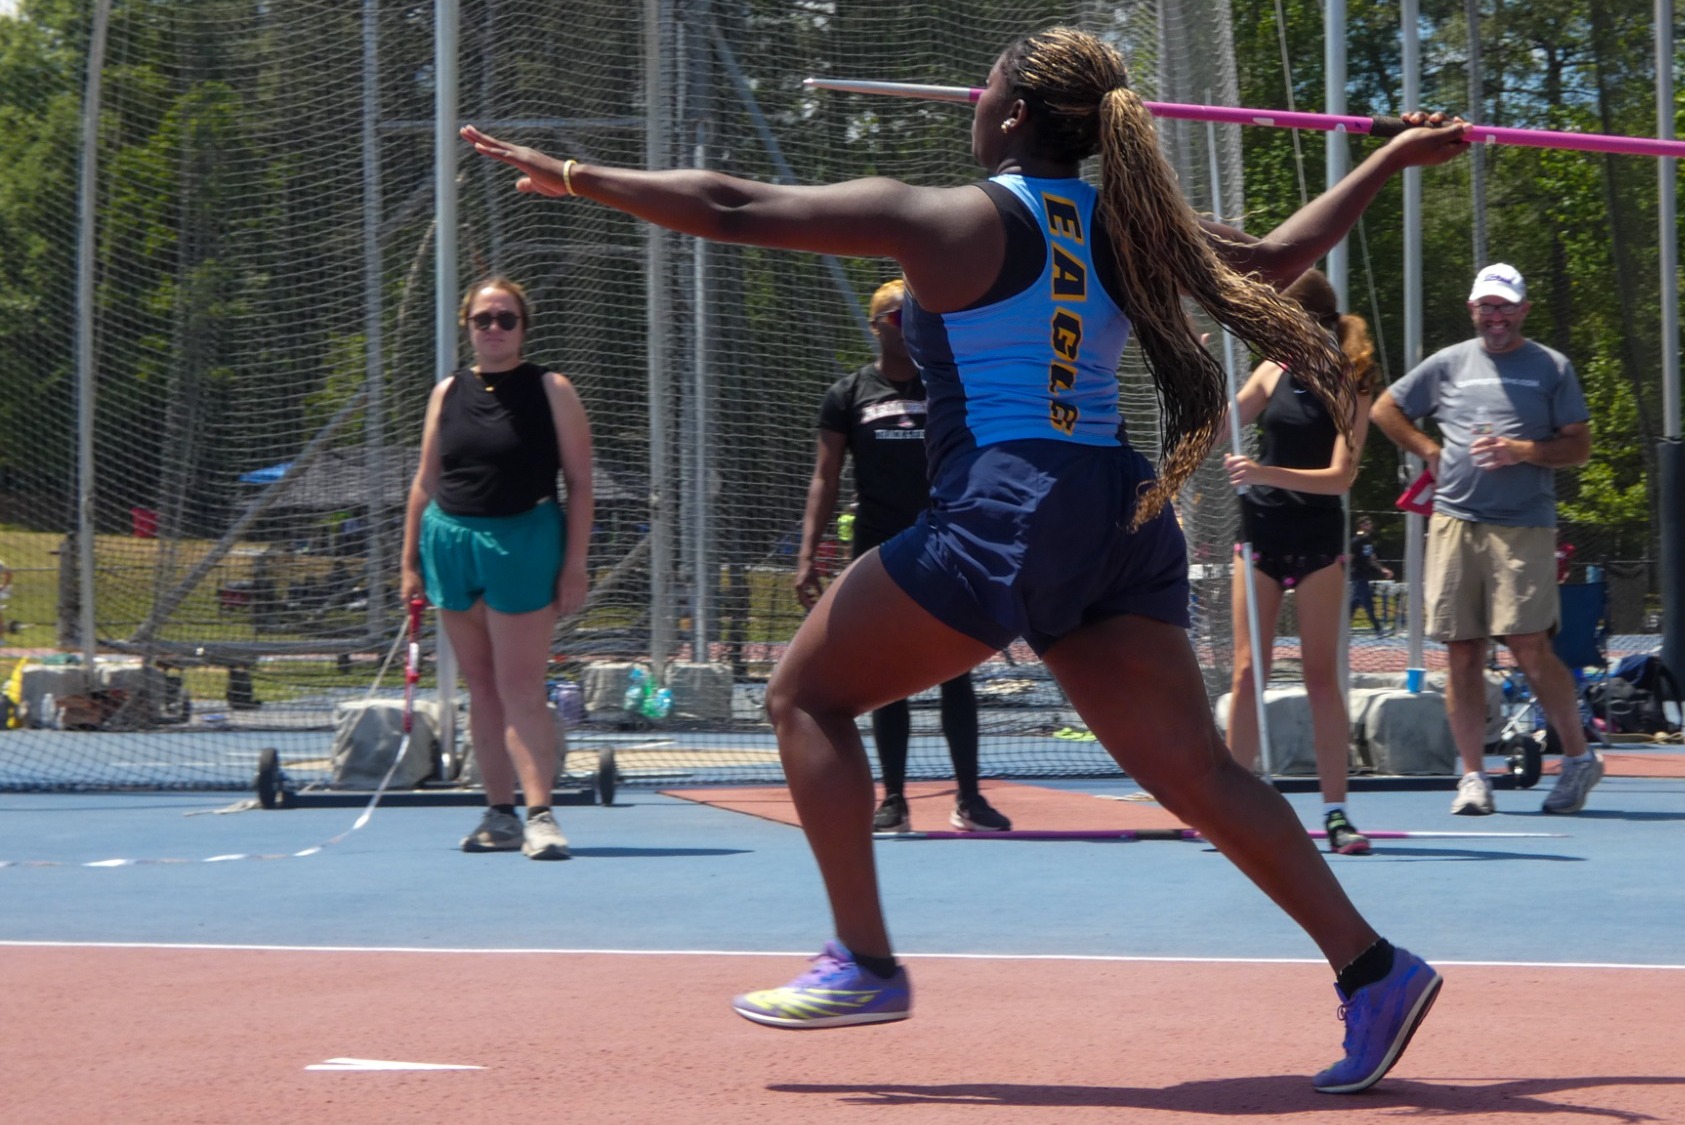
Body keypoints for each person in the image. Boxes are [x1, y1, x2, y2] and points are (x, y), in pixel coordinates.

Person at [464, 26, 1467, 1092]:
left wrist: (581, 174)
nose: (973, 100)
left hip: (1011, 505)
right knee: (1196, 772)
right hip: (1120, 506)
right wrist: (1385, 161)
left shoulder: (949, 219)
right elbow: (1272, 262)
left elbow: (735, 207)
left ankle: (863, 958)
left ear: (1013, 114)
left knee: (805, 698)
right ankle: (1371, 968)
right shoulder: (1132, 227)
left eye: (983, 87)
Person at [1370, 262, 1598, 817]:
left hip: (1523, 525)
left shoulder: (1551, 368)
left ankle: (1577, 758)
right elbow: (1384, 408)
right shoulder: (1449, 363)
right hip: (1453, 521)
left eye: (1505, 306)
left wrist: (1521, 450)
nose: (1495, 317)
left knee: (1528, 646)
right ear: (1473, 310)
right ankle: (1472, 777)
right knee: (1462, 651)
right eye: (1486, 307)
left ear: (1522, 310)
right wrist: (1427, 450)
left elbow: (1579, 447)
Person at [795, 278, 1007, 834]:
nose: (907, 327)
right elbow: (825, 477)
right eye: (896, 318)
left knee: (955, 671)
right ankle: (893, 799)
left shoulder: (946, 387)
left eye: (915, 317)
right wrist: (807, 553)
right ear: (875, 326)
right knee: (886, 675)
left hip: (947, 541)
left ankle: (969, 798)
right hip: (879, 547)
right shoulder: (849, 394)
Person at [401, 277, 594, 860]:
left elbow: (581, 484)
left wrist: (575, 564)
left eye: (505, 319)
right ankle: (498, 812)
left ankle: (541, 815)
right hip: (452, 541)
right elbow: (425, 480)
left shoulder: (552, 389)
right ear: (467, 326)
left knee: (519, 687)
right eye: (483, 319)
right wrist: (409, 561)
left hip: (524, 540)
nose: (493, 329)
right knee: (480, 689)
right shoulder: (446, 393)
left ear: (523, 329)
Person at [1221, 270, 1378, 856]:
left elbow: (1341, 478)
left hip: (1316, 538)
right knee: (1246, 672)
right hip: (1261, 531)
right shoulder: (1274, 366)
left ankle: (1335, 812)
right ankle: (1232, 804)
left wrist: (1262, 472)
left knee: (1319, 677)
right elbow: (1223, 426)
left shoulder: (1352, 380)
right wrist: (1194, 371)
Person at [1349, 515, 1385, 635]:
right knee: (1366, 600)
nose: (1370, 525)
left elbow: (1371, 558)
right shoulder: (1356, 541)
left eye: (1370, 523)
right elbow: (1350, 557)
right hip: (1357, 574)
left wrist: (1382, 569)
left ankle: (1342, 625)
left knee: (1355, 602)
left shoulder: (1367, 540)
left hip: (1364, 574)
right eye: (1367, 524)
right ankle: (1377, 627)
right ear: (1362, 526)